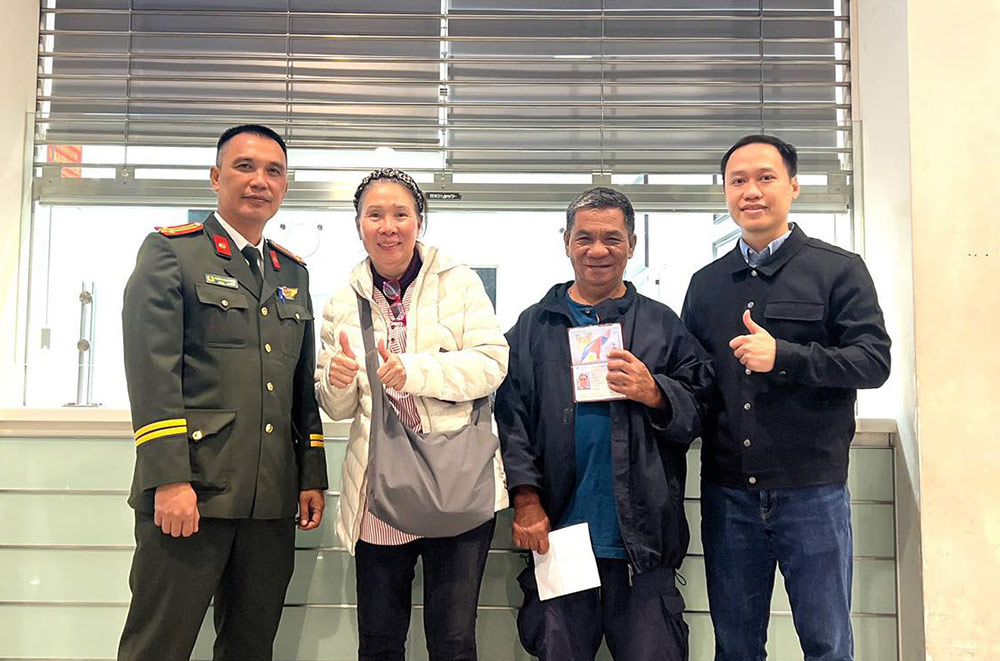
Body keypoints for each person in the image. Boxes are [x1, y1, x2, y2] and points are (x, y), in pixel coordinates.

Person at [117, 124, 328, 661]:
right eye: (244, 167)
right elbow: (152, 374)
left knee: (251, 646)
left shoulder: (292, 272)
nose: (260, 181)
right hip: (193, 492)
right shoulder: (172, 253)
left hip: (271, 499)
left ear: (285, 187)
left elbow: (299, 385)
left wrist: (310, 475)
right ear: (216, 177)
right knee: (159, 645)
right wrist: (170, 480)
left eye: (274, 171)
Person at [681, 135, 891, 661]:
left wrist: (786, 356)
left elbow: (873, 361)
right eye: (738, 181)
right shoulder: (706, 284)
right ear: (725, 193)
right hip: (728, 493)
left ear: (793, 186)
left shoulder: (838, 269)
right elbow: (694, 381)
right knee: (736, 646)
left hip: (812, 491)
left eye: (765, 178)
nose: (751, 191)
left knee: (827, 644)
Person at [495, 187, 713, 661]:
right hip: (559, 537)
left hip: (643, 545)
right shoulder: (533, 327)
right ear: (566, 242)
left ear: (631, 244)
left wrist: (657, 393)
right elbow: (511, 421)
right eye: (585, 238)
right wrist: (526, 499)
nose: (598, 250)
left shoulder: (661, 325)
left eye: (612, 238)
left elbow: (704, 407)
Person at [314, 168, 509, 661]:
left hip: (456, 481)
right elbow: (337, 408)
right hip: (379, 486)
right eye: (375, 215)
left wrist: (416, 371)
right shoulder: (342, 301)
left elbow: (492, 364)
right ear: (358, 224)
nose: (388, 226)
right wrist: (335, 381)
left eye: (400, 214)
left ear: (420, 220)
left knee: (454, 640)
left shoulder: (459, 283)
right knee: (379, 640)